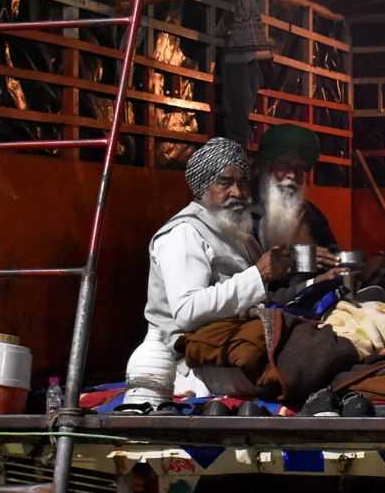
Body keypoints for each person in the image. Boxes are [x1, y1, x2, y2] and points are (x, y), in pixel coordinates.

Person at [124, 137, 293, 405]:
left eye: (242, 183)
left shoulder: (237, 233)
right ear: (203, 187)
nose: (237, 192)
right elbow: (187, 311)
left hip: (235, 348)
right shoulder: (184, 233)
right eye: (225, 183)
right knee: (301, 366)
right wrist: (257, 275)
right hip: (192, 365)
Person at [253, 124, 338, 251]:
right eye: (284, 165)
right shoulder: (244, 214)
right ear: (266, 167)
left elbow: (333, 255)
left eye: (300, 168)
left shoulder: (313, 215)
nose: (292, 174)